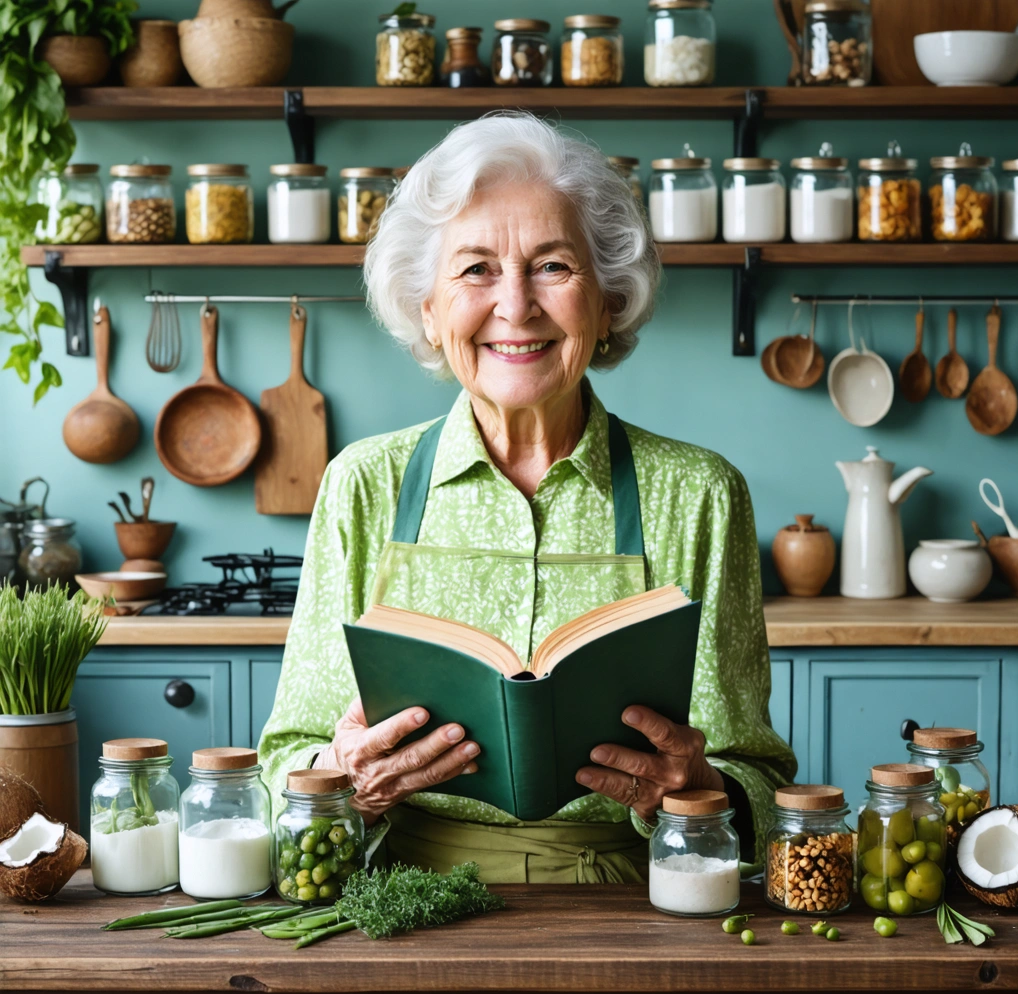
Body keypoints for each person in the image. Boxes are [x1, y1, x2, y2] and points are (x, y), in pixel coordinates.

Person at [258, 113, 795, 883]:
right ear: (428, 309)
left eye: (552, 266)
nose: (515, 306)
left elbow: (763, 781)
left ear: (607, 300)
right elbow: (285, 759)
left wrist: (703, 789)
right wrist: (345, 779)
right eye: (475, 269)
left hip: (641, 902)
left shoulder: (700, 494)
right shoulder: (362, 485)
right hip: (403, 902)